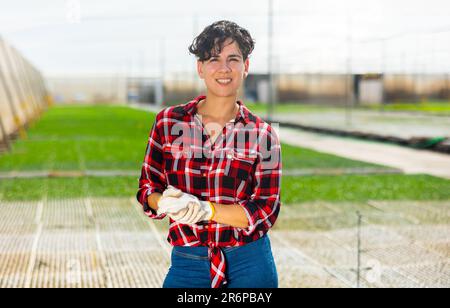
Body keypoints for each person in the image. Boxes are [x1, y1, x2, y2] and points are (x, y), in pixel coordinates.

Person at [137, 20, 282, 288]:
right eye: (213, 59)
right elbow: (148, 189)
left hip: (249, 263)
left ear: (246, 67)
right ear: (200, 68)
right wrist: (165, 203)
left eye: (233, 59)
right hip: (188, 261)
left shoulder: (263, 134)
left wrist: (207, 210)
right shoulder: (168, 123)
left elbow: (265, 210)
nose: (224, 68)